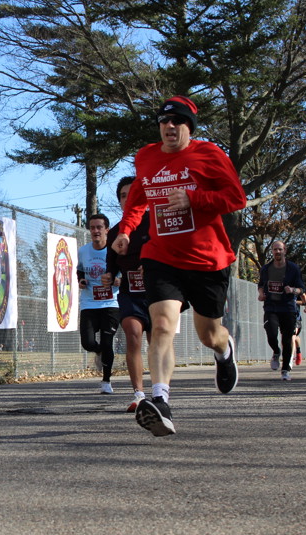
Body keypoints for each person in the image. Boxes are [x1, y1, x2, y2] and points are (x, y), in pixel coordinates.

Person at [112, 96, 247, 436]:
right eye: (164, 122)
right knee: (161, 325)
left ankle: (224, 350)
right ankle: (160, 401)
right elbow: (138, 198)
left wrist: (194, 198)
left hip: (207, 259)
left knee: (209, 335)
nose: (169, 127)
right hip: (162, 256)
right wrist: (126, 230)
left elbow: (236, 198)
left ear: (189, 127)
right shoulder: (146, 157)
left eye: (177, 122)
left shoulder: (210, 155)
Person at [103, 176, 151, 412]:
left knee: (157, 342)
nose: (128, 199)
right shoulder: (114, 233)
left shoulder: (155, 221)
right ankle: (139, 394)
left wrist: (152, 265)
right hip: (130, 293)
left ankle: (161, 392)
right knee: (133, 335)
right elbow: (111, 266)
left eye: (133, 194)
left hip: (158, 292)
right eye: (123, 195)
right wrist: (108, 276)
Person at [77, 213, 121, 394]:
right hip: (89, 302)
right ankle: (98, 351)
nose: (95, 231)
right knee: (87, 343)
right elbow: (80, 270)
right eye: (92, 227)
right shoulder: (83, 251)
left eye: (99, 227)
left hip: (111, 303)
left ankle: (106, 381)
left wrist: (118, 281)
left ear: (107, 230)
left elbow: (124, 273)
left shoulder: (114, 250)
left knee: (107, 341)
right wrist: (81, 280)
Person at [257, 240, 306, 381]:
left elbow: (302, 289)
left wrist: (293, 290)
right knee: (271, 333)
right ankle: (276, 352)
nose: (277, 252)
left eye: (280, 249)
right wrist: (261, 294)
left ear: (285, 251)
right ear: (272, 251)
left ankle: (285, 370)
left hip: (288, 308)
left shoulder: (293, 269)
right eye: (275, 249)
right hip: (271, 307)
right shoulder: (266, 269)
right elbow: (261, 285)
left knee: (287, 339)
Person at [292, 291, 306, 365]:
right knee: (289, 337)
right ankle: (294, 353)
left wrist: (294, 301)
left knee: (292, 336)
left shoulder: (296, 288)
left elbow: (303, 301)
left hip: (296, 317)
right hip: (284, 315)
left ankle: (291, 357)